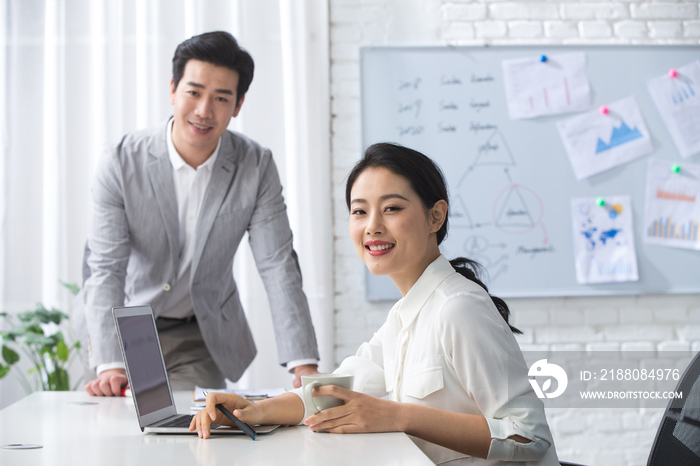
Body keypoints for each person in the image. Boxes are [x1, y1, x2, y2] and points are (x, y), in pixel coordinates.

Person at [190, 143, 560, 465]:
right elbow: (335, 391)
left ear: (436, 216)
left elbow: (528, 435)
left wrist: (399, 416)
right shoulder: (405, 313)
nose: (372, 226)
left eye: (392, 209)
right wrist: (253, 410)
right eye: (359, 211)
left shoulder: (457, 308)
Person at [74, 31, 320, 396]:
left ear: (237, 105)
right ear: (172, 90)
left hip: (198, 331)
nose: (204, 110)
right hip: (127, 323)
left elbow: (277, 263)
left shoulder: (255, 165)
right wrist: (111, 363)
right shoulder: (121, 162)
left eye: (221, 98)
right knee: (121, 432)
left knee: (191, 434)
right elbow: (107, 267)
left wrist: (305, 363)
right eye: (194, 92)